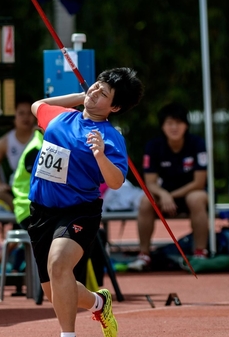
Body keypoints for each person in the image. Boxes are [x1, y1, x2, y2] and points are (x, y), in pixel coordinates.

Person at [27, 67, 143, 337]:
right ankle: (99, 302)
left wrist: (100, 155)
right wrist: (81, 96)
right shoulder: (60, 118)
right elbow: (38, 105)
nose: (94, 91)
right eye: (95, 86)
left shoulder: (111, 138)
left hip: (79, 211)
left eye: (103, 93)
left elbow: (115, 181)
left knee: (59, 265)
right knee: (53, 291)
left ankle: (68, 335)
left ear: (114, 107)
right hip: (42, 211)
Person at [127, 102, 209, 272]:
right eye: (169, 123)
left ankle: (200, 252)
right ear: (162, 126)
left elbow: (199, 182)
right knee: (145, 202)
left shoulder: (197, 144)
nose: (174, 127)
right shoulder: (153, 146)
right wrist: (164, 195)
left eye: (178, 123)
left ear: (186, 125)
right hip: (164, 196)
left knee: (197, 198)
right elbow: (149, 182)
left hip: (189, 193)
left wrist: (170, 196)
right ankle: (144, 254)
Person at [0, 93, 37, 210]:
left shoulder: (42, 135)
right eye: (21, 113)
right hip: (18, 191)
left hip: (40, 187)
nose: (26, 117)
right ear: (14, 115)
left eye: (29, 113)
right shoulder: (4, 142)